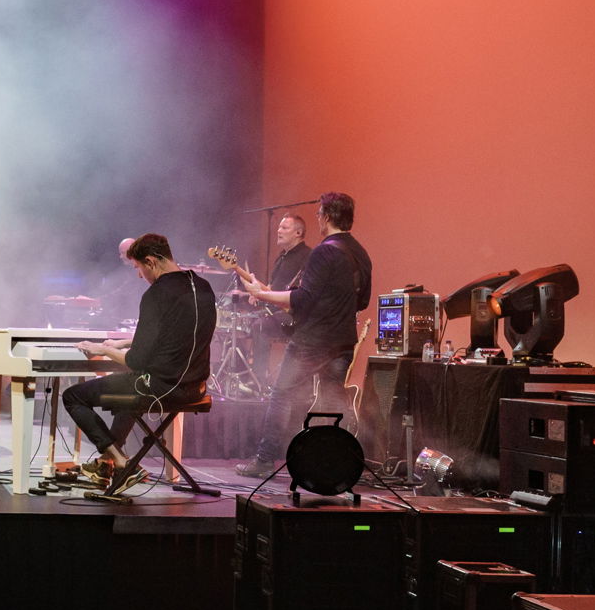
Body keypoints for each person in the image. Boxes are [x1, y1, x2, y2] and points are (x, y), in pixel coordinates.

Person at [61, 234, 217, 494]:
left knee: (74, 396)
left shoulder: (156, 294)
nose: (138, 275)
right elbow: (174, 332)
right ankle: (106, 463)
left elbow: (137, 361)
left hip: (161, 388)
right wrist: (125, 342)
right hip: (195, 387)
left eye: (138, 268)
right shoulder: (202, 286)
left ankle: (123, 464)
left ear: (151, 261)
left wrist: (103, 349)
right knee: (127, 391)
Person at [236, 192, 372, 479]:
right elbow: (362, 301)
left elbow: (303, 299)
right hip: (344, 341)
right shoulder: (361, 253)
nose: (317, 218)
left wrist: (262, 294)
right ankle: (336, 463)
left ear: (326, 216)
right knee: (334, 403)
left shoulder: (323, 251)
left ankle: (263, 460)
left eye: (319, 213)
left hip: (312, 341)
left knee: (282, 394)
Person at [241, 212, 312, 383]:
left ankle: (258, 380)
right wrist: (258, 293)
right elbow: (273, 288)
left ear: (298, 233)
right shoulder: (281, 257)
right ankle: (240, 373)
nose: (278, 231)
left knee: (260, 326)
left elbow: (302, 294)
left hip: (296, 315)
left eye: (284, 227)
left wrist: (264, 294)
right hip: (275, 311)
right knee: (242, 319)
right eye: (279, 227)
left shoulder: (308, 256)